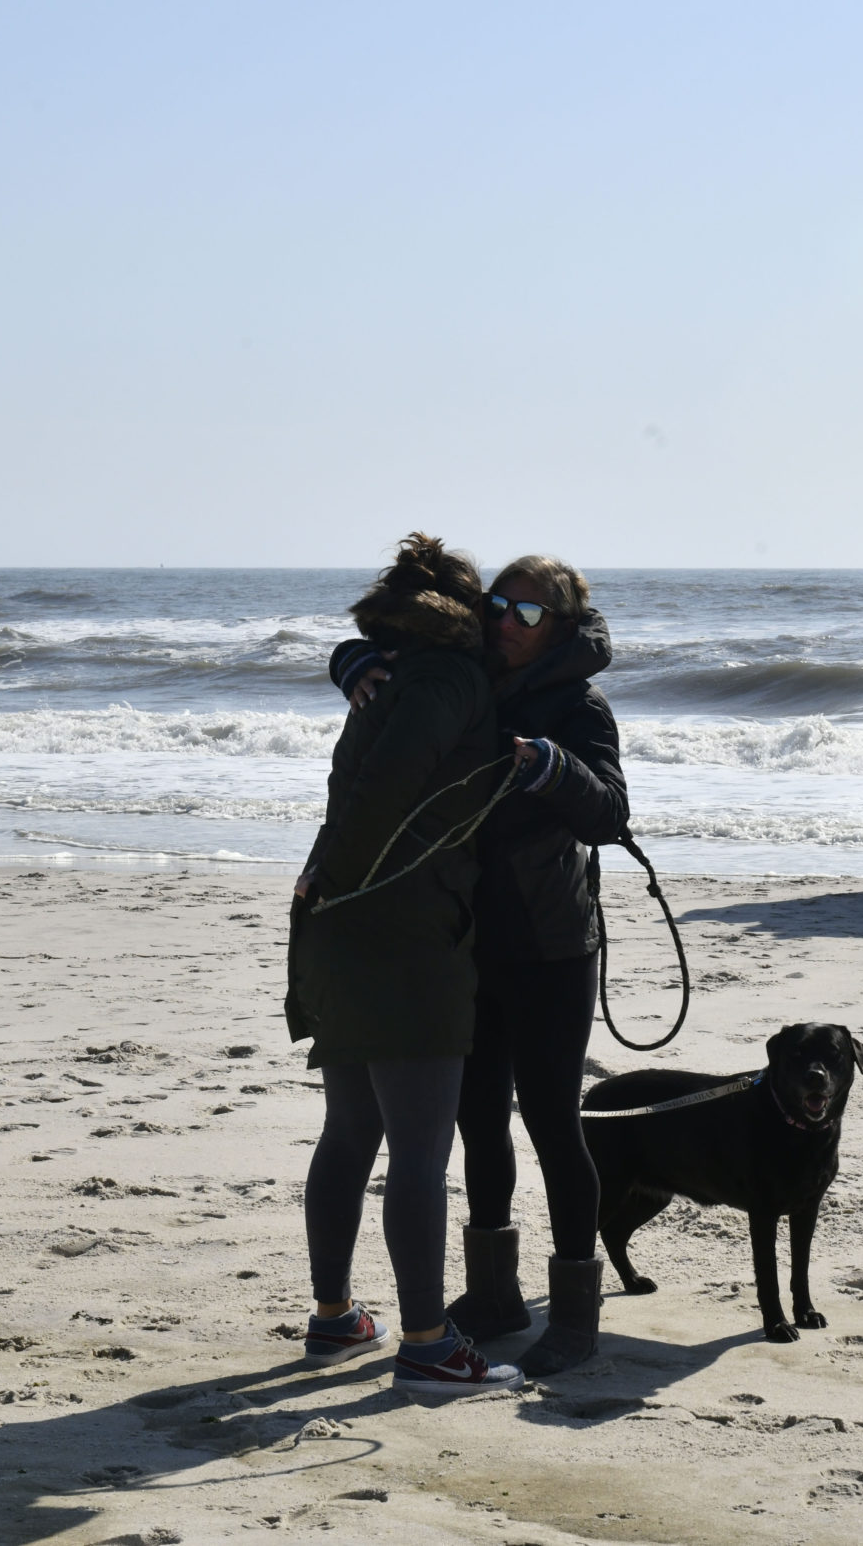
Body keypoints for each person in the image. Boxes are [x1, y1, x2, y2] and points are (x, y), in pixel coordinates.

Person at [331, 555, 627, 1377]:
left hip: (552, 944)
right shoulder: (474, 673)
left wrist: (554, 767)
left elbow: (611, 810)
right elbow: (402, 663)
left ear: (560, 625)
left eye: (528, 614)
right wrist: (353, 660)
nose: (505, 621)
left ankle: (574, 1310)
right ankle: (495, 1297)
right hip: (469, 940)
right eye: (499, 604)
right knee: (478, 1121)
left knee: (552, 1122)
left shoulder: (579, 703)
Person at [287, 533, 521, 1396]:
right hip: (400, 931)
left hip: (338, 925)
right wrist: (347, 880)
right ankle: (425, 1338)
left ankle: (336, 1315)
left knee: (351, 1129)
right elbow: (389, 786)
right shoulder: (446, 678)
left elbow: (360, 786)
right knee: (419, 1148)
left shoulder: (384, 673)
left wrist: (328, 882)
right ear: (464, 610)